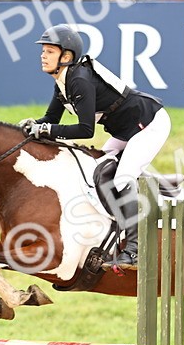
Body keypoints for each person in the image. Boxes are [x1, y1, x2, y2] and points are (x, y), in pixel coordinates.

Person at [20, 24, 171, 267]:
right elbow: (51, 119)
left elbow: (85, 130)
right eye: (43, 51)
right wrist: (32, 126)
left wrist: (46, 130)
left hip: (149, 123)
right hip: (126, 130)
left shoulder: (79, 80)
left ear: (66, 57)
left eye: (49, 51)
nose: (43, 56)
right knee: (99, 170)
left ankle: (134, 250)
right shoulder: (62, 82)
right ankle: (159, 186)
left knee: (121, 179)